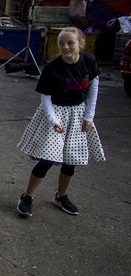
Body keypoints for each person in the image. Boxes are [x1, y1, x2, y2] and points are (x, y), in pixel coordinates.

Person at [16, 27, 105, 218]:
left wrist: (89, 116)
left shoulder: (89, 61)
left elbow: (93, 88)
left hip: (78, 115)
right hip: (55, 114)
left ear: (81, 43)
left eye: (70, 43)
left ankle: (61, 196)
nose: (65, 47)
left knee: (70, 161)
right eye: (61, 43)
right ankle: (27, 196)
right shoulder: (51, 69)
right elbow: (46, 98)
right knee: (47, 159)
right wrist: (53, 120)